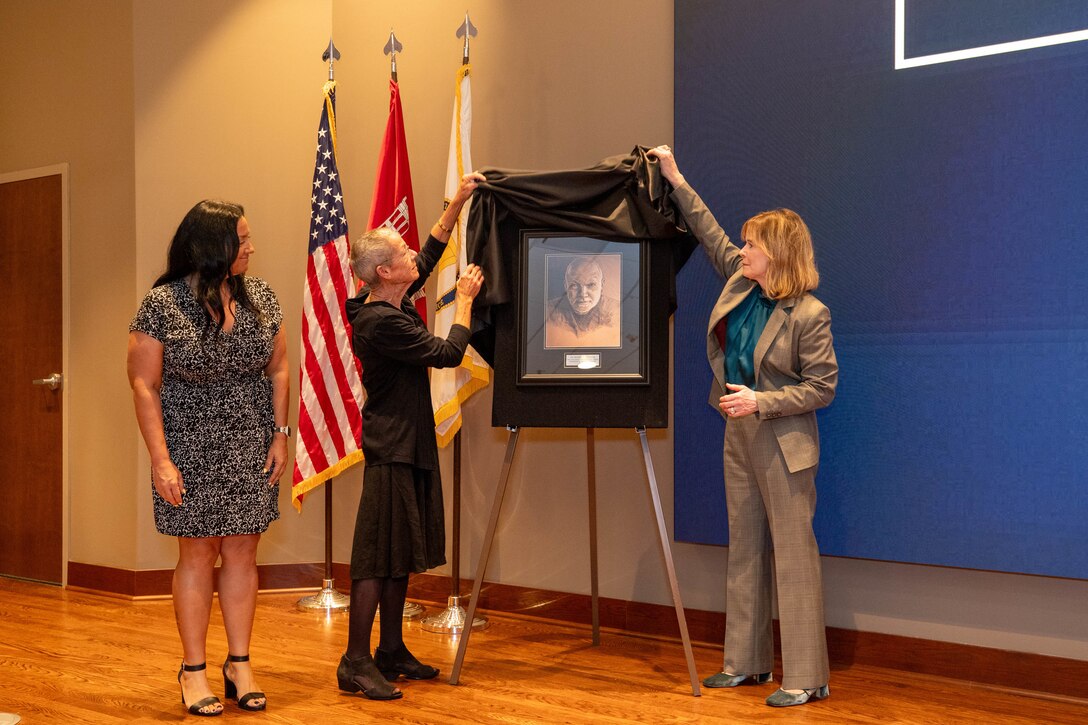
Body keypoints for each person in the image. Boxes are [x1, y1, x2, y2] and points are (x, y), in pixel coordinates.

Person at [649, 146, 838, 707]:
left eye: (753, 243)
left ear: (776, 253)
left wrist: (764, 401)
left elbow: (823, 387)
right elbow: (707, 232)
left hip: (783, 440)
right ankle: (746, 663)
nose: (743, 248)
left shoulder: (810, 313)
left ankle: (806, 676)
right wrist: (676, 178)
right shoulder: (741, 282)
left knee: (794, 555)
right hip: (738, 432)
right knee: (746, 547)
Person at [128, 200, 289, 716]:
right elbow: (144, 384)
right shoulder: (162, 303)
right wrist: (160, 459)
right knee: (197, 554)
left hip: (250, 438)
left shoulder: (261, 296)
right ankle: (193, 670)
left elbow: (280, 369)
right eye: (241, 240)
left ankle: (239, 663)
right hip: (186, 442)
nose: (251, 248)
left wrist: (280, 435)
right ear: (211, 245)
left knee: (243, 551)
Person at [336, 173, 485, 701]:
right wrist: (464, 301)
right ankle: (355, 661)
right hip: (391, 447)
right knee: (377, 556)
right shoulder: (381, 322)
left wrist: (458, 203)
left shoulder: (388, 296)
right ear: (382, 272)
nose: (411, 257)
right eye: (399, 252)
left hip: (410, 442)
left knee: (399, 553)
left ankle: (391, 649)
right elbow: (446, 354)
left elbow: (427, 255)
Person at [545, 256, 621, 347]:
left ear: (602, 285)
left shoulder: (617, 312)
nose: (583, 293)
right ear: (566, 286)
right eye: (574, 285)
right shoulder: (548, 311)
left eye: (591, 284)